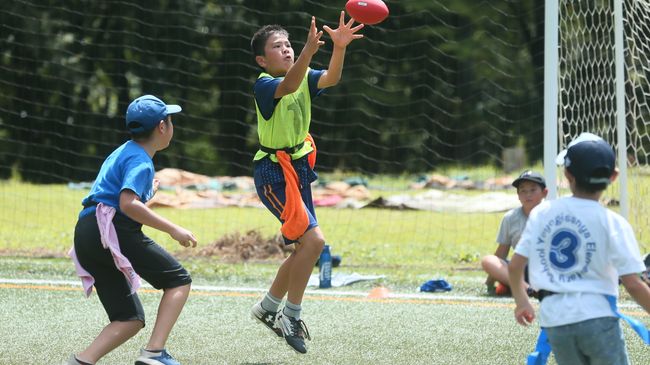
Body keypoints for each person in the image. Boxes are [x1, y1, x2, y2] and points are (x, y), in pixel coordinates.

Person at [248, 13, 363, 354]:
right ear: (261, 59)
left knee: (305, 248)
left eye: (288, 44)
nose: (285, 49)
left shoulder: (303, 74)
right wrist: (308, 53)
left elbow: (330, 78)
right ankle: (290, 316)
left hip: (297, 170)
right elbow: (290, 85)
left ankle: (268, 307)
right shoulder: (265, 85)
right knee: (314, 242)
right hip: (273, 175)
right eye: (276, 46)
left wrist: (338, 48)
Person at [67, 95, 198, 365]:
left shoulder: (123, 151)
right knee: (178, 281)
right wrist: (174, 229)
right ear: (162, 127)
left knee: (129, 319)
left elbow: (114, 195)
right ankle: (154, 353)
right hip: (112, 229)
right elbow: (127, 204)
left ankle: (80, 362)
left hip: (86, 232)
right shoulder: (141, 161)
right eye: (170, 121)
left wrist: (146, 194)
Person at [509, 132, 650, 365]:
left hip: (555, 321)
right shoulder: (613, 223)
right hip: (598, 319)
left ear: (567, 175)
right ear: (614, 177)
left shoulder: (541, 213)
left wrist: (522, 301)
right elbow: (633, 284)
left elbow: (515, 266)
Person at [481, 170, 548, 295]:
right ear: (518, 195)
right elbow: (502, 252)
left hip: (548, 270)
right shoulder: (510, 218)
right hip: (521, 271)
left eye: (533, 190)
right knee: (488, 260)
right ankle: (528, 289)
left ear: (544, 193)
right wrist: (490, 281)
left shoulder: (554, 215)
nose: (528, 194)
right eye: (523, 190)